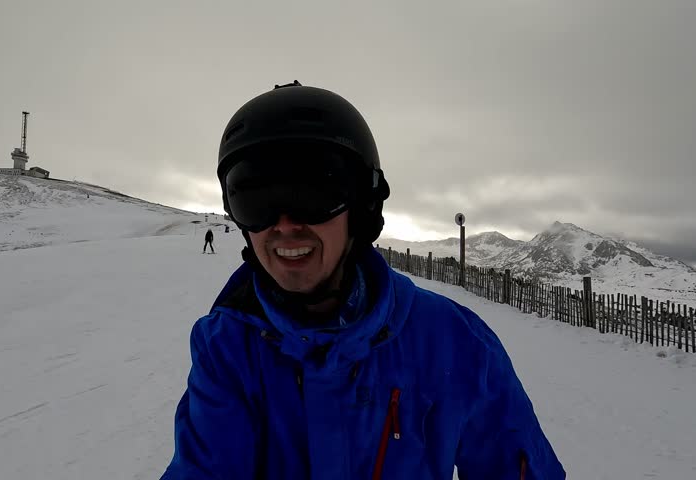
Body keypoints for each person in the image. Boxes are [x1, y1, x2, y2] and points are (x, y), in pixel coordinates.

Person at [162, 81, 565, 479]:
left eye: (313, 192)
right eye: (254, 198)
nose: (284, 225)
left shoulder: (451, 341)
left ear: (361, 208)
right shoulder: (228, 346)